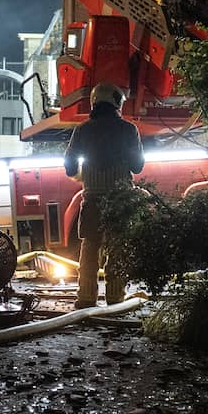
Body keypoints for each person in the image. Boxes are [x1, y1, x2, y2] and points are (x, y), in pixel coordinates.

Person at [63, 82, 145, 308]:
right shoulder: (129, 130)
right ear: (117, 103)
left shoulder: (82, 130)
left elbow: (69, 167)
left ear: (94, 102)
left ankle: (86, 298)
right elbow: (138, 166)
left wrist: (83, 174)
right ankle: (115, 299)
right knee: (118, 250)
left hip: (92, 200)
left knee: (89, 250)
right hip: (121, 201)